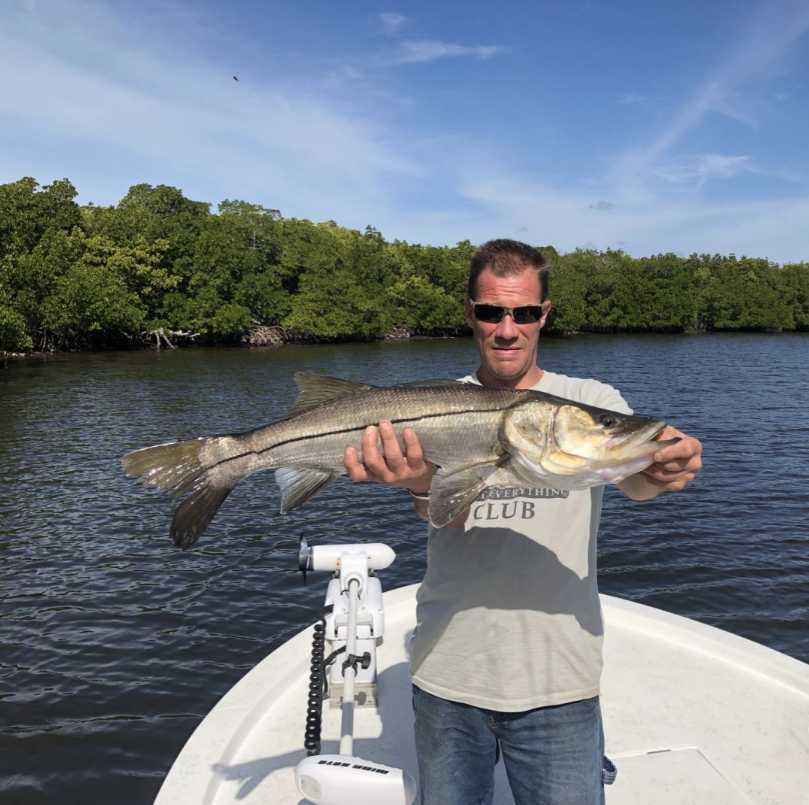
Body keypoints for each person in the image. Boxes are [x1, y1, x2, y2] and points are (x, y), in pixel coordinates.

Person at [344, 239, 703, 805]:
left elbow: (636, 477)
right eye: (490, 312)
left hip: (560, 677)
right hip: (448, 670)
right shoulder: (433, 405)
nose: (507, 329)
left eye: (524, 313)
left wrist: (666, 468)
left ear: (544, 315)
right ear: (470, 314)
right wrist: (419, 483)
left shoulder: (588, 399)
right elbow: (446, 516)